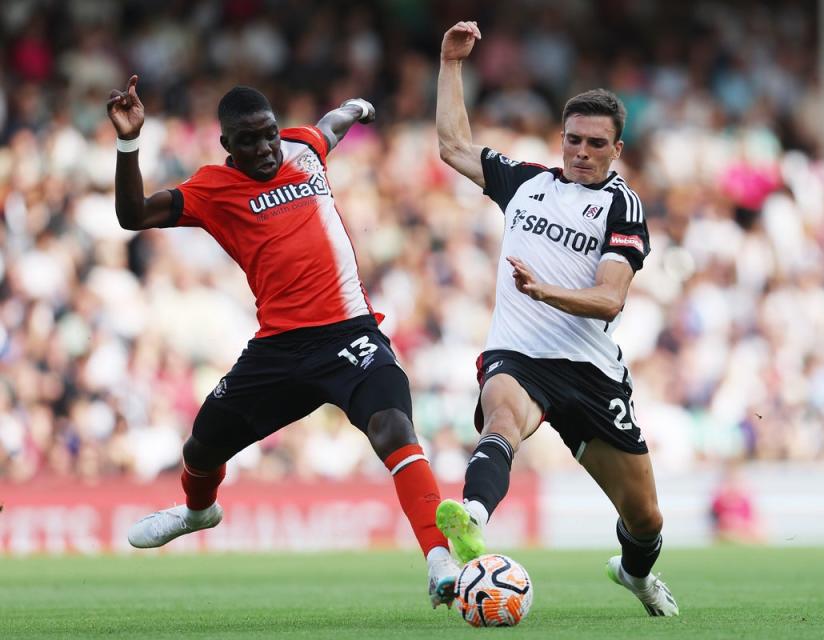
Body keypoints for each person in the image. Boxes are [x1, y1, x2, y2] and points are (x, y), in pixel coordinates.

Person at [107, 75, 459, 608]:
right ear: (227, 146)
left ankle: (439, 561)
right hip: (279, 348)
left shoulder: (301, 146)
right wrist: (129, 142)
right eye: (248, 140)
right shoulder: (212, 189)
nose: (265, 147)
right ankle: (199, 512)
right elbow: (132, 216)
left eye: (269, 134)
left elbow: (328, 129)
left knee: (393, 427)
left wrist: (355, 105)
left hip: (350, 334)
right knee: (201, 448)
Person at [433, 22, 679, 617]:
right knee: (502, 419)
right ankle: (474, 517)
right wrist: (450, 64)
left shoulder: (623, 206)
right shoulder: (526, 184)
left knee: (644, 519)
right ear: (560, 138)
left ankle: (635, 573)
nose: (583, 152)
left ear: (617, 149)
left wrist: (545, 291)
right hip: (518, 356)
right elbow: (454, 147)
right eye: (574, 140)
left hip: (590, 373)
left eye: (597, 144)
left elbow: (609, 299)